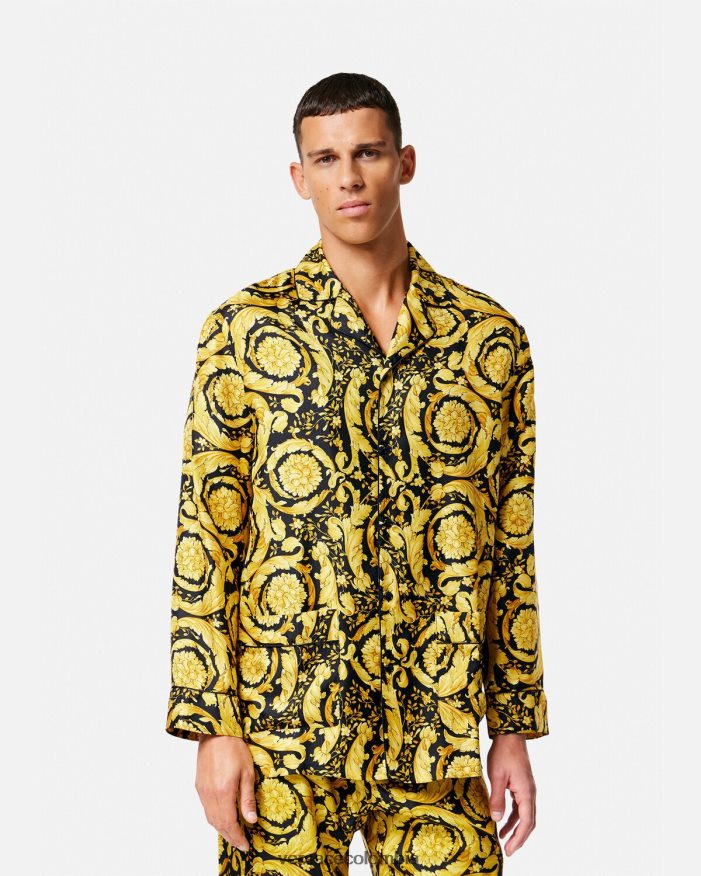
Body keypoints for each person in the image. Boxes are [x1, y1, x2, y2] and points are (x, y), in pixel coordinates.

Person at [165, 72, 549, 876]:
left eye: (368, 153)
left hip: (437, 729)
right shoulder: (244, 331)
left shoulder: (489, 340)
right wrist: (211, 728)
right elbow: (205, 535)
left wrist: (511, 726)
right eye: (326, 159)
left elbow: (510, 547)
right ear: (298, 177)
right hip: (281, 731)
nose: (349, 177)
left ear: (404, 163)